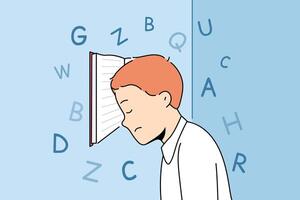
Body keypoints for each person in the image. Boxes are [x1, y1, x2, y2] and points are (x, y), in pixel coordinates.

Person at [110, 54, 232, 200]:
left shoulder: (193, 146)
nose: (125, 122)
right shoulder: (173, 149)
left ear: (164, 99)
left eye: (129, 109)